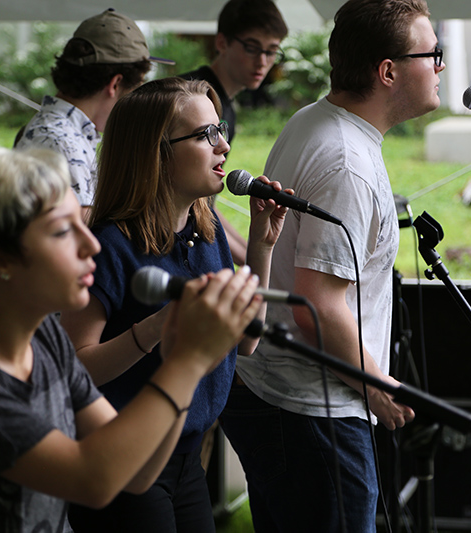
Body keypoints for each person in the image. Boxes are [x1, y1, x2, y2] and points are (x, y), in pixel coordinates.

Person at [0, 147, 263, 532]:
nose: (91, 244)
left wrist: (186, 357)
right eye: (62, 230)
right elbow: (93, 480)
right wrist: (188, 360)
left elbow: (139, 472)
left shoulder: (43, 335)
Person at [219, 0, 445, 531]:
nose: (440, 64)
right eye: (432, 53)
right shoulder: (347, 160)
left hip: (287, 398)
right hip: (309, 407)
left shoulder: (321, 121)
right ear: (387, 71)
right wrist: (376, 387)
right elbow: (316, 303)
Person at [59, 77, 288, 532]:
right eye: (205, 134)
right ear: (156, 152)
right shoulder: (110, 245)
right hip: (125, 460)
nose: (223, 145)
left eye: (219, 129)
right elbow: (74, 368)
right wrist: (155, 329)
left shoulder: (207, 231)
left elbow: (245, 342)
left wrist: (261, 251)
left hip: (187, 457)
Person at [15, 8, 172, 220]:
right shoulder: (63, 143)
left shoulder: (64, 132)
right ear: (115, 84)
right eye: (138, 87)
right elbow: (87, 243)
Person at [180, 0, 289, 266]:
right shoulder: (194, 98)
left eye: (272, 51)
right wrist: (253, 262)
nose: (262, 61)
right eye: (252, 48)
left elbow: (206, 206)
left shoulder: (225, 106)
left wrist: (256, 257)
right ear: (222, 43)